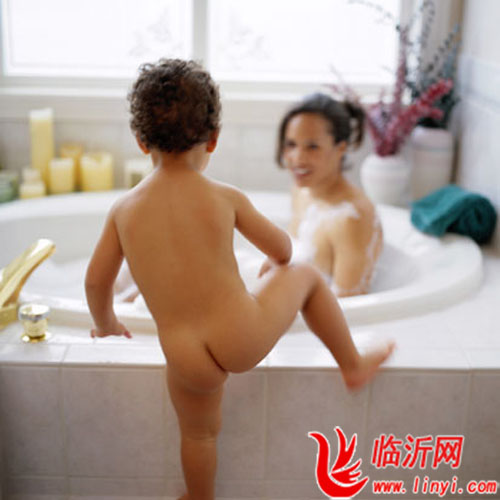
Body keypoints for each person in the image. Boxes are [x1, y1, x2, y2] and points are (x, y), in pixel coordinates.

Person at [85, 59, 394, 500]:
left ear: (140, 141)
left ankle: (200, 496)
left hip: (184, 354)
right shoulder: (224, 197)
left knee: (198, 434)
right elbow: (284, 250)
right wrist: (273, 263)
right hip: (241, 334)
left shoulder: (123, 211)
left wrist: (107, 324)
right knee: (306, 275)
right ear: (213, 138)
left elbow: (96, 283)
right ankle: (352, 364)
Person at [276, 93, 383, 297]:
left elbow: (349, 305)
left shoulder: (351, 219)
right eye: (291, 144)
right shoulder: (302, 192)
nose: (297, 158)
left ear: (341, 148)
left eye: (312, 146)